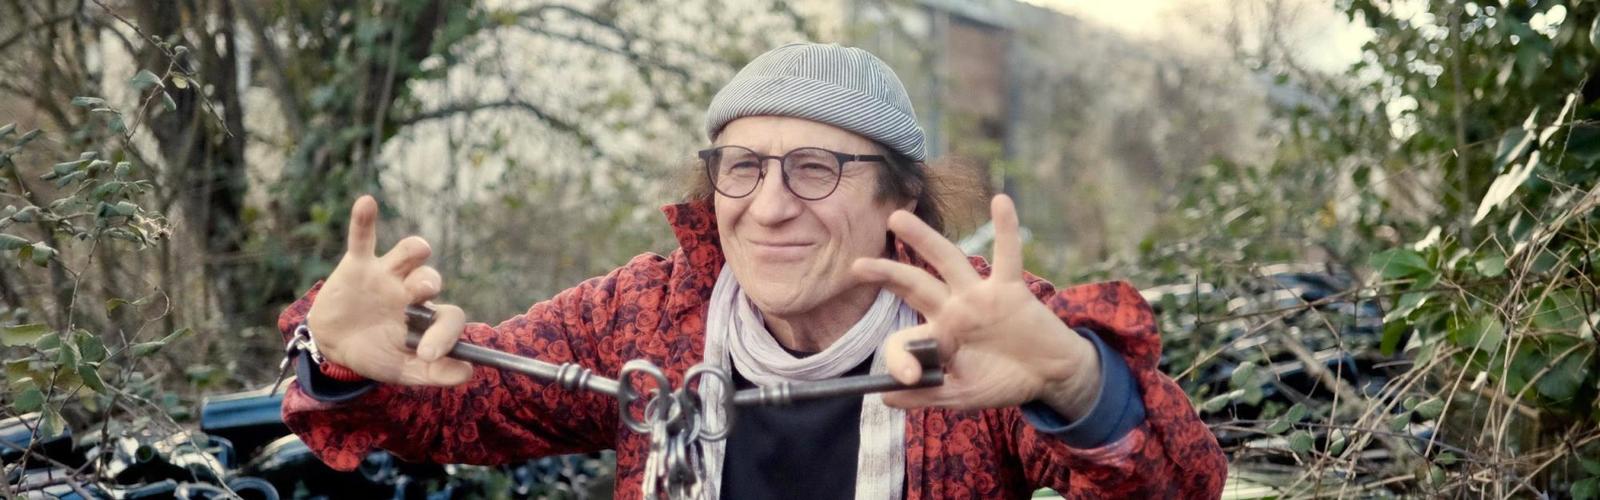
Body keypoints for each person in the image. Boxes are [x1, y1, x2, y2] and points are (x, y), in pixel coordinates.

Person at [276, 42, 1226, 498]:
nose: (769, 206)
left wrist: (1076, 384)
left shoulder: (975, 326)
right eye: (743, 167)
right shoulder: (648, 314)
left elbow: (1179, 487)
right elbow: (465, 406)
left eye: (815, 168)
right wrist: (343, 358)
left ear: (896, 192)